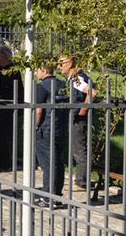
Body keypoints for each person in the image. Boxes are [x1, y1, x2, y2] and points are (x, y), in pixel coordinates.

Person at [56, 54, 97, 199]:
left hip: (79, 118)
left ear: (70, 64)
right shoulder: (73, 78)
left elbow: (92, 93)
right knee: (77, 148)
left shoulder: (77, 78)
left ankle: (82, 181)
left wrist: (82, 112)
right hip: (75, 117)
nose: (59, 67)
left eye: (62, 63)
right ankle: (80, 179)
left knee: (79, 148)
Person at [32, 63, 70, 197]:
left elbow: (38, 110)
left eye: (36, 70)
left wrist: (34, 126)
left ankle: (48, 195)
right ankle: (57, 194)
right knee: (58, 162)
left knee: (48, 163)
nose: (35, 73)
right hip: (60, 127)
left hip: (46, 129)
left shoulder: (42, 87)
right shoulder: (63, 85)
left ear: (44, 70)